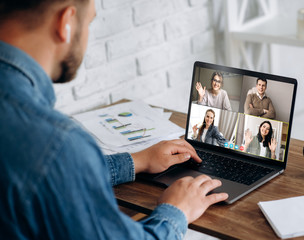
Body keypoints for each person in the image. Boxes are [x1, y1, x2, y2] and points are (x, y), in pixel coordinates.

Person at [0, 0, 229, 239]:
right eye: (89, 21)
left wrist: (136, 160)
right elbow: (56, 166)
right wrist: (176, 210)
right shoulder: (58, 144)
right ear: (65, 22)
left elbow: (42, 175)